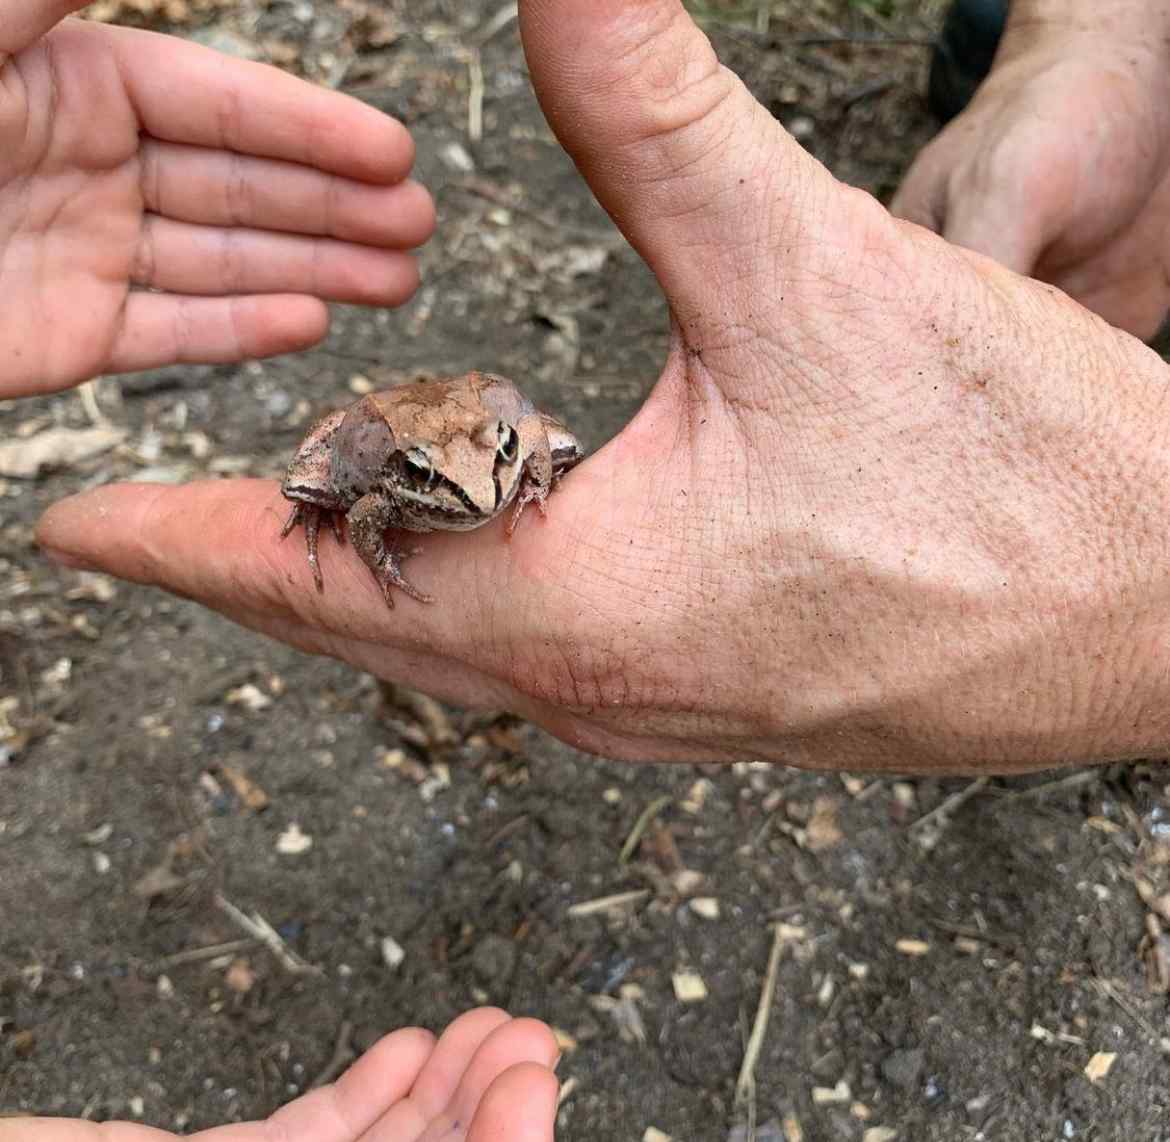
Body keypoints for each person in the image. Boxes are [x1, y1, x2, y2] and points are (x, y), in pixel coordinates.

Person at [6, 0, 1170, 1136]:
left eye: (498, 477)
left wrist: (526, 467)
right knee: (313, 491)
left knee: (502, 459)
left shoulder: (507, 451)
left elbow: (531, 434)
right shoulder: (407, 480)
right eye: (454, 488)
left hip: (478, 425)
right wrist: (371, 531)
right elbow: (367, 505)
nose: (470, 502)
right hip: (399, 436)